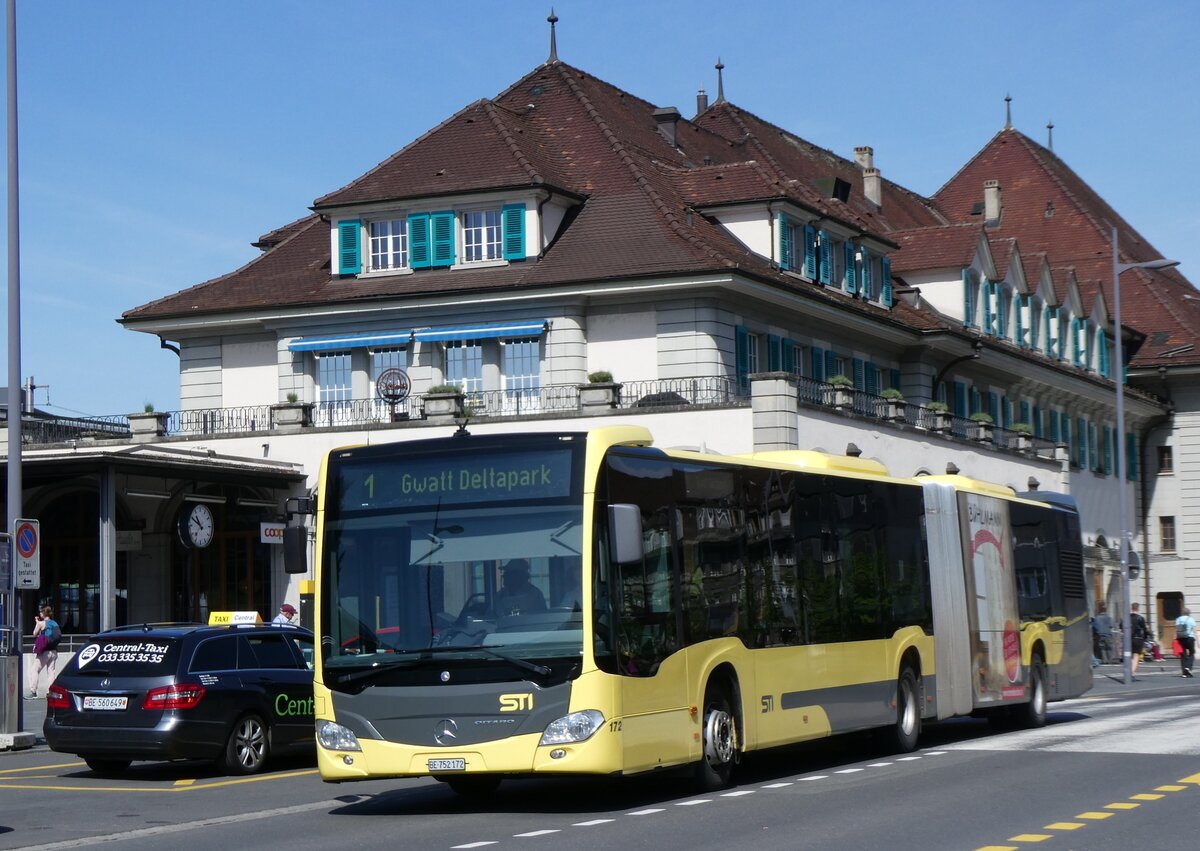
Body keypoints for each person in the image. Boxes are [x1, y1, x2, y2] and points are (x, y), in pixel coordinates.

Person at [29, 605, 61, 698]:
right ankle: (50, 692)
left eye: (41, 612)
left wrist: (37, 623)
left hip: (44, 651)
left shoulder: (41, 623)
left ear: (43, 613)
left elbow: (34, 634)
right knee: (51, 672)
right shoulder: (54, 623)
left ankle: (33, 691)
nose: (40, 613)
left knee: (35, 670)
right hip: (54, 651)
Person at [1175, 607, 1196, 678]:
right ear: (1189, 613)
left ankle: (1184, 673)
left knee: (1183, 655)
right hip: (1190, 638)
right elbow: (1194, 630)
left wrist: (1175, 639)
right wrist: (1198, 641)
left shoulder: (1178, 619)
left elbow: (1177, 630)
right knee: (1192, 653)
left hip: (1181, 638)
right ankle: (1188, 667)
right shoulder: (1191, 619)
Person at [1129, 602, 1148, 679]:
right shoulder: (1140, 618)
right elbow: (1144, 629)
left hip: (1129, 639)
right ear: (1138, 608)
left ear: (1131, 608)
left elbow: (1121, 626)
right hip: (1138, 638)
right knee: (1136, 655)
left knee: (1130, 656)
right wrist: (1145, 637)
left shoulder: (1127, 617)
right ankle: (1132, 672)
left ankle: (1130, 669)